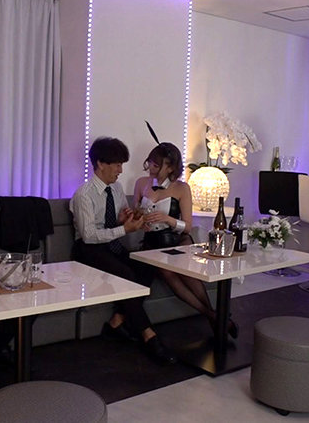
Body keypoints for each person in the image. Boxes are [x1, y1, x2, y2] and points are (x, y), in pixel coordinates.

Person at [70, 137, 176, 365]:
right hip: (88, 250)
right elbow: (89, 235)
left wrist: (128, 218)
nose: (120, 170)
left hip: (111, 245)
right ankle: (149, 335)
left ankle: (116, 322)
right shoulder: (83, 195)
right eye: (117, 165)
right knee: (126, 274)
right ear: (100, 164)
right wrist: (124, 229)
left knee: (147, 266)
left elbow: (120, 217)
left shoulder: (116, 188)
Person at [133, 142, 237, 338]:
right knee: (167, 271)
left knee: (186, 271)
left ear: (170, 167)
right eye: (151, 163)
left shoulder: (182, 188)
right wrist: (140, 221)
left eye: (157, 165)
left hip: (177, 239)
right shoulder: (141, 183)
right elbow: (136, 215)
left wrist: (168, 219)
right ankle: (214, 317)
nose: (152, 168)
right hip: (152, 243)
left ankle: (213, 318)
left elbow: (187, 226)